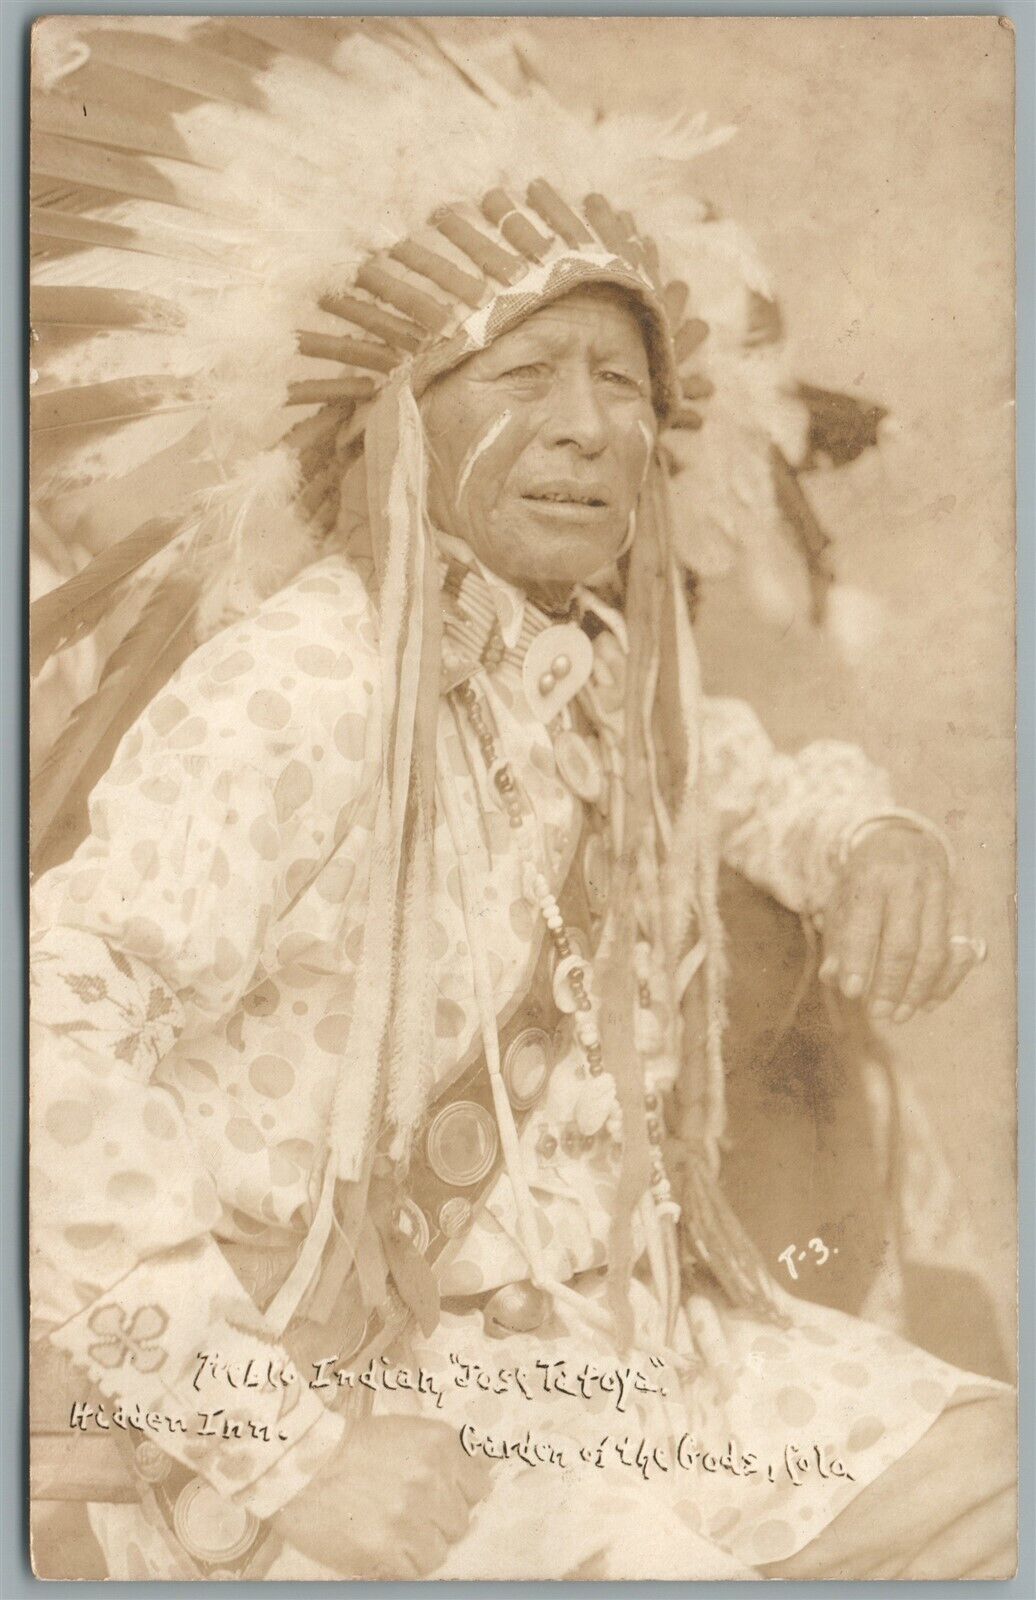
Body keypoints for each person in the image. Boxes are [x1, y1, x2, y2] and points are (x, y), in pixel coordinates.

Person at [29, 19, 1012, 1582]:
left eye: (621, 383)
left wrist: (876, 839)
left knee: (993, 1473)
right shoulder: (305, 685)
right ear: (403, 423)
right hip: (340, 1391)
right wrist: (290, 1451)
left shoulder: (600, 677)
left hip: (596, 1361)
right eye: (528, 372)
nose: (586, 428)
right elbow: (49, 1043)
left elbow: (752, 782)